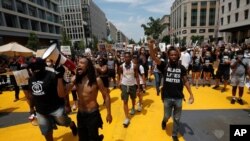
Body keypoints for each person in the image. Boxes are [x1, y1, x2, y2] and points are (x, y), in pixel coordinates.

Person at [148, 39, 194, 141]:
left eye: (175, 55)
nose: (173, 56)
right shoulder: (164, 65)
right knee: (167, 116)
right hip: (167, 97)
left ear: (178, 56)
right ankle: (164, 121)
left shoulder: (182, 68)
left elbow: (185, 81)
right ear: (169, 56)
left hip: (178, 98)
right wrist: (151, 47)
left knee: (177, 119)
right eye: (171, 55)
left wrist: (191, 94)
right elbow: (154, 58)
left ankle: (174, 134)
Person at [28, 58, 77, 141]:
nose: (35, 69)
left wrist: (67, 104)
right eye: (32, 66)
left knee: (63, 122)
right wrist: (31, 107)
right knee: (46, 132)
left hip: (56, 108)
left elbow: (63, 90)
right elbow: (32, 95)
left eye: (37, 66)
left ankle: (72, 125)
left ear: (44, 65)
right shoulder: (31, 79)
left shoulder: (52, 75)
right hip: (41, 111)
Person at [68, 56, 112, 141]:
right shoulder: (75, 79)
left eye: (82, 63)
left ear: (88, 66)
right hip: (80, 114)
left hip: (93, 114)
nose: (78, 65)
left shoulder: (97, 80)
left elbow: (106, 95)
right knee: (82, 138)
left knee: (93, 138)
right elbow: (64, 93)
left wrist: (109, 113)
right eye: (78, 63)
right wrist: (59, 77)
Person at [117, 52, 140, 127]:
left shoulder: (135, 66)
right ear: (124, 58)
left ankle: (133, 107)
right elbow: (119, 74)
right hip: (124, 85)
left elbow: (137, 76)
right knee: (125, 101)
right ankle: (126, 118)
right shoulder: (121, 66)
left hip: (132, 85)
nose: (127, 58)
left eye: (128, 57)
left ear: (130, 58)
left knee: (133, 98)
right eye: (125, 57)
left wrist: (138, 87)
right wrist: (119, 82)